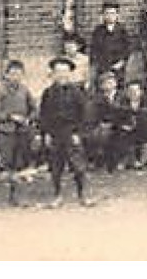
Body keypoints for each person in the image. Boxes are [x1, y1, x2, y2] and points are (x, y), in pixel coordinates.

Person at [40, 56, 96, 207]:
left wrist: (79, 133)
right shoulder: (48, 93)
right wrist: (46, 134)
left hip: (71, 133)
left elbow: (85, 115)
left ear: (70, 74)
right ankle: (57, 195)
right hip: (55, 133)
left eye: (64, 72)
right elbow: (44, 115)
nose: (61, 75)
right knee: (56, 167)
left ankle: (82, 195)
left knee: (78, 166)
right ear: (53, 74)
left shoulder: (77, 92)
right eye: (58, 72)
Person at [0, 59, 37, 208]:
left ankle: (15, 197)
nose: (15, 77)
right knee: (0, 165)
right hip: (5, 132)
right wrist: (10, 117)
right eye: (13, 74)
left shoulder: (25, 90)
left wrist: (28, 119)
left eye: (19, 74)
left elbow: (34, 109)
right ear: (6, 75)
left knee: (18, 165)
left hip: (21, 132)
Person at [89, 1, 132, 89]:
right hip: (102, 68)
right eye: (107, 13)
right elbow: (94, 50)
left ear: (117, 15)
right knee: (102, 88)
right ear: (103, 15)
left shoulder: (122, 31)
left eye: (112, 13)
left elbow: (127, 49)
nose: (110, 16)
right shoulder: (98, 31)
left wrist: (121, 62)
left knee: (118, 89)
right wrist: (98, 64)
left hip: (118, 68)